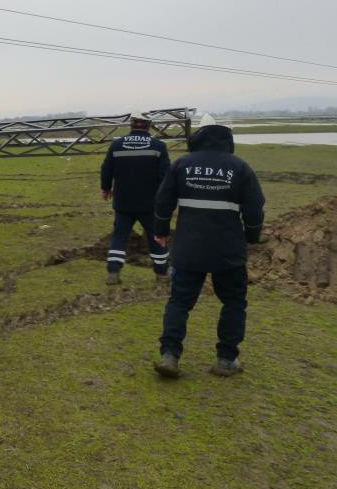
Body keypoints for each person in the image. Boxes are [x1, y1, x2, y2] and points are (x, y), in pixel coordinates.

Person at [152, 113, 265, 378]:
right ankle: (226, 360)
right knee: (234, 302)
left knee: (179, 302)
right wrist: (252, 236)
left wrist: (160, 231)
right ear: (226, 137)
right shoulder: (239, 167)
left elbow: (163, 201)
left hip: (189, 248)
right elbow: (254, 207)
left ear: (199, 136)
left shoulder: (182, 164)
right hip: (228, 250)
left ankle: (169, 356)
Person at [100, 111, 171, 285]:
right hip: (150, 203)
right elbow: (166, 176)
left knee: (119, 236)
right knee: (156, 236)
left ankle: (113, 273)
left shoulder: (116, 145)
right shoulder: (158, 146)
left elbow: (106, 168)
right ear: (149, 125)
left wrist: (105, 187)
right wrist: (166, 199)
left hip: (124, 202)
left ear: (131, 125)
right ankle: (162, 274)